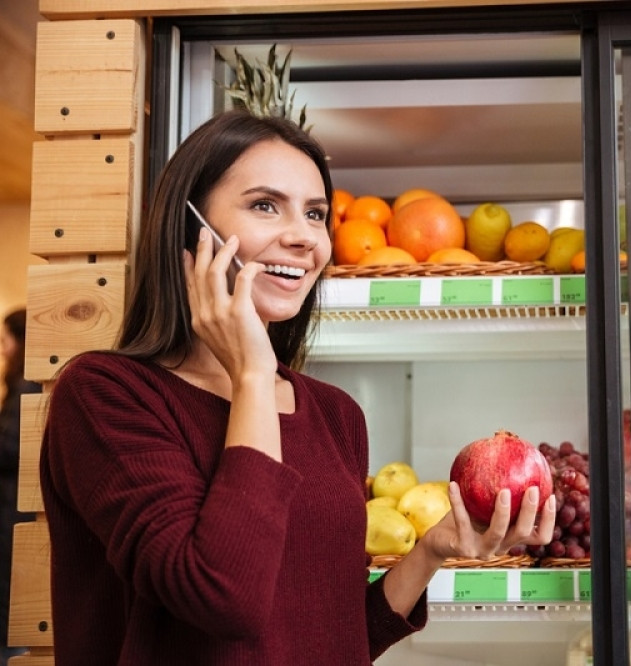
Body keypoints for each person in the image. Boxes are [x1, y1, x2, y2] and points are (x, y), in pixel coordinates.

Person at [40, 109, 556, 665]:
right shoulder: (106, 397)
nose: (303, 237)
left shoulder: (336, 415)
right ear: (190, 226)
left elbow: (327, 637)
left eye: (315, 214)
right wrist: (253, 374)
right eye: (265, 205)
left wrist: (431, 551)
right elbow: (223, 598)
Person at [0, 308, 40, 665]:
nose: (3, 349)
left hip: (13, 507)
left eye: (5, 340)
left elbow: (11, 447)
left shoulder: (26, 384)